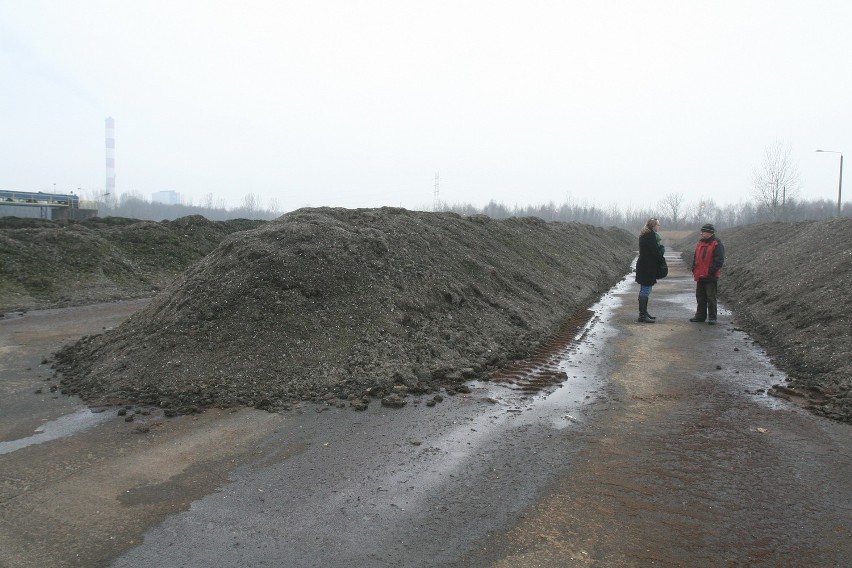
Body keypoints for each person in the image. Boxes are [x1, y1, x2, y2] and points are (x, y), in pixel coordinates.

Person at [690, 223, 725, 325]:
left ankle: (712, 317)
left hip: (710, 276)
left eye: (703, 232)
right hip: (699, 275)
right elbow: (696, 257)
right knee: (700, 296)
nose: (702, 233)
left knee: (711, 297)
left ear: (709, 233)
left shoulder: (717, 244)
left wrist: (711, 272)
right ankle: (700, 316)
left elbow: (719, 260)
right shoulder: (700, 243)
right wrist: (694, 268)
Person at [635, 218, 664, 323]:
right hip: (647, 266)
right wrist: (662, 259)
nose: (659, 226)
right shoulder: (650, 236)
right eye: (658, 224)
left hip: (644, 265)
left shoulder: (644, 234)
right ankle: (642, 315)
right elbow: (654, 252)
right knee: (646, 290)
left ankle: (644, 313)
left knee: (645, 289)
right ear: (653, 226)